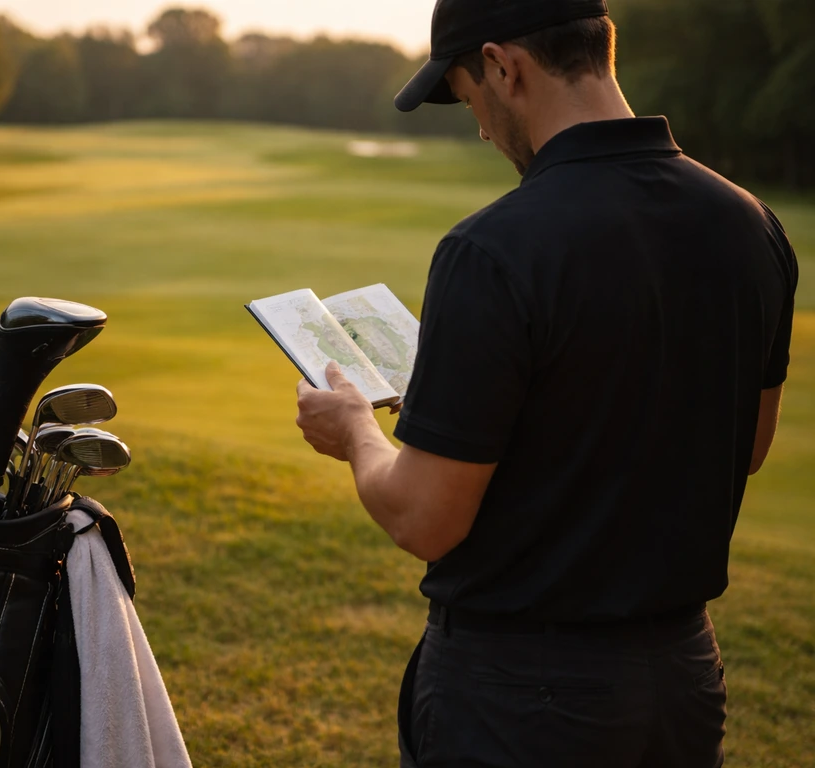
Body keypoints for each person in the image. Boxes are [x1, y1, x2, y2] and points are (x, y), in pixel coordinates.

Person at [293, 0, 799, 766]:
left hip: (519, 697)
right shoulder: (750, 222)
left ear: (504, 66)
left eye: (470, 101)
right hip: (682, 680)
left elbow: (425, 521)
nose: (482, 130)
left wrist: (356, 428)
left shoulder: (492, 249)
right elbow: (750, 445)